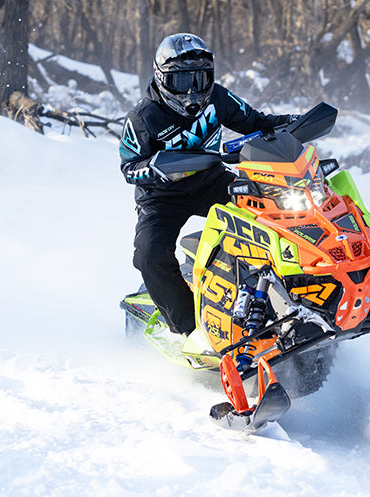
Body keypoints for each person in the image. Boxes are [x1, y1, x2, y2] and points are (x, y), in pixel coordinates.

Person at [119, 33, 297, 337]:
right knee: (148, 253)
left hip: (212, 180)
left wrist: (297, 123)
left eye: (200, 79)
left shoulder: (218, 97)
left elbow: (257, 123)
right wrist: (158, 168)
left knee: (275, 213)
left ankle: (297, 297)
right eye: (181, 81)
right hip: (161, 197)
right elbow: (128, 167)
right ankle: (189, 328)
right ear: (162, 78)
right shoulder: (142, 116)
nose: (191, 91)